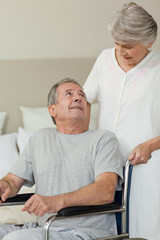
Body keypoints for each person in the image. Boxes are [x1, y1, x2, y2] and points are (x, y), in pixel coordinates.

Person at [0, 78, 123, 240]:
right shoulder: (40, 138)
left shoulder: (104, 139)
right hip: (43, 227)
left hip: (85, 231)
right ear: (52, 109)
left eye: (81, 95)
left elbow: (105, 191)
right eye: (69, 94)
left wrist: (57, 201)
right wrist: (4, 185)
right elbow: (13, 181)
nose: (78, 98)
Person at [83, 2, 160, 240]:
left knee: (143, 230)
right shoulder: (105, 59)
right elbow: (85, 99)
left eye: (128, 46)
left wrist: (150, 145)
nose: (120, 50)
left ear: (148, 42)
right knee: (107, 231)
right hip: (104, 166)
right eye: (116, 43)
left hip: (147, 166)